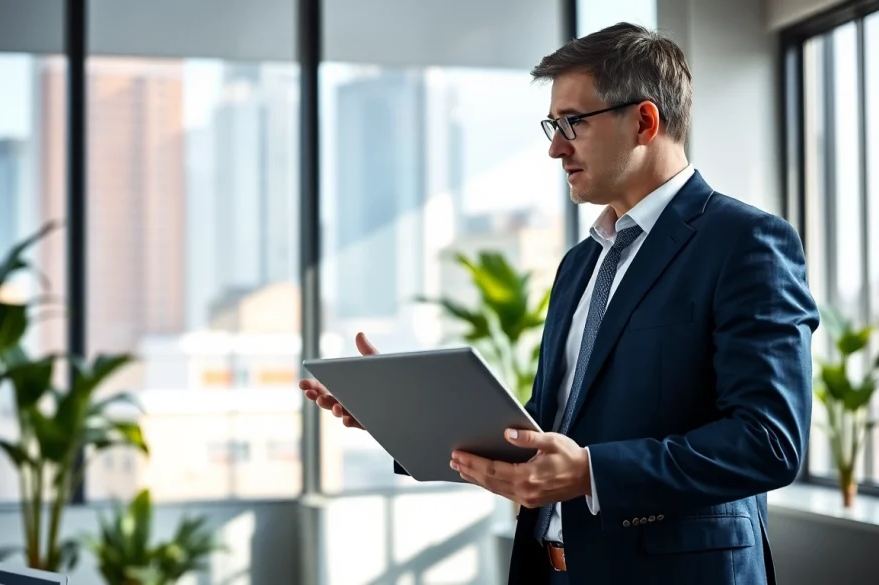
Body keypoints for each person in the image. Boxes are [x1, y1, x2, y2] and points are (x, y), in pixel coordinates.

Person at [300, 22, 818, 585]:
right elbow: (544, 431)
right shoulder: (581, 263)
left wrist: (593, 473)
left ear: (644, 121)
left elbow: (769, 441)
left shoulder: (744, 243)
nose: (555, 147)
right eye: (553, 124)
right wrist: (400, 413)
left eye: (573, 123)